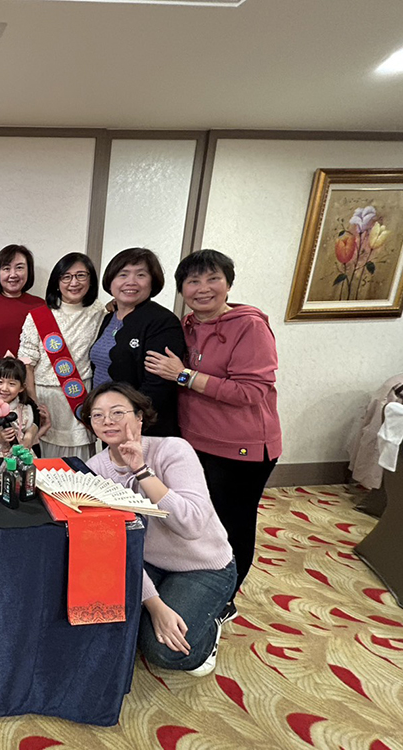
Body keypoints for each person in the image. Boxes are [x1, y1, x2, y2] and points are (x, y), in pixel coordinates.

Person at [144, 249, 281, 608]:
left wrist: (184, 376)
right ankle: (198, 587)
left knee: (231, 525)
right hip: (195, 442)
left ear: (228, 283)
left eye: (212, 279)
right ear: (182, 289)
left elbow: (251, 391)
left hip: (241, 447)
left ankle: (225, 601)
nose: (203, 288)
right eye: (193, 281)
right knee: (198, 521)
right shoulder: (187, 325)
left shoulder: (250, 326)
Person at [82, 382, 236, 677]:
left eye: (117, 412)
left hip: (201, 565)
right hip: (145, 562)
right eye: (97, 415)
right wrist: (153, 604)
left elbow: (191, 525)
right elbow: (114, 547)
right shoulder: (94, 469)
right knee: (105, 624)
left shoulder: (173, 450)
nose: (107, 421)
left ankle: (214, 620)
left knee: (164, 650)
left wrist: (141, 471)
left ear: (139, 417)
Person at [90, 247, 185, 437]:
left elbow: (158, 387)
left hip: (143, 428)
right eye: (123, 274)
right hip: (109, 423)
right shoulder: (109, 318)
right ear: (110, 281)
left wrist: (125, 419)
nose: (131, 282)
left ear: (152, 282)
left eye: (141, 275)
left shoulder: (162, 322)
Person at [19, 252, 104, 459]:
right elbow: (27, 364)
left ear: (91, 279)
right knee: (41, 461)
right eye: (66, 277)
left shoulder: (100, 313)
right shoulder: (38, 316)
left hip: (80, 397)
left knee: (78, 465)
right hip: (45, 398)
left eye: (81, 275)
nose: (74, 283)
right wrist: (33, 405)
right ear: (57, 282)